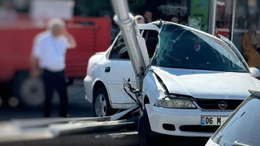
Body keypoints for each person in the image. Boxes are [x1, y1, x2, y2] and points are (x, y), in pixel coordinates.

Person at [30, 18, 77, 117]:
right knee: (48, 96)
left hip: (60, 71)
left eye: (60, 29)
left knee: (63, 96)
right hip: (48, 71)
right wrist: (35, 68)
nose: (58, 31)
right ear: (50, 29)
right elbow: (35, 55)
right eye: (56, 29)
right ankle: (46, 116)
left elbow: (73, 45)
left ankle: (63, 115)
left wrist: (66, 34)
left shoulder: (63, 39)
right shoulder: (42, 39)